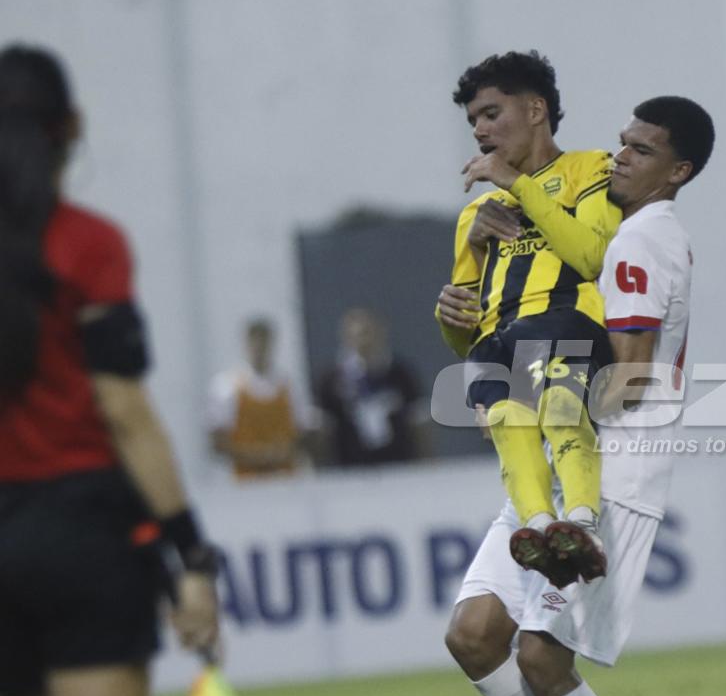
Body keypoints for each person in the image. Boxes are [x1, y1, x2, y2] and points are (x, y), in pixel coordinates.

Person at [438, 96, 714, 696]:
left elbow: (630, 376)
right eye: (623, 142)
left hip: (611, 474)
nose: (622, 156)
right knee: (474, 634)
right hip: (562, 466)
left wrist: (540, 397)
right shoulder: (615, 231)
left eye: (643, 151)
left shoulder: (642, 240)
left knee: (539, 655)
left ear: (678, 172)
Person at [0, 44, 220, 696]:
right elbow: (124, 411)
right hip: (83, 534)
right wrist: (190, 554)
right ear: (72, 127)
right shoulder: (87, 244)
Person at [437, 50, 620, 586]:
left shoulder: (590, 169)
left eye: (491, 113)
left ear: (536, 110)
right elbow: (464, 333)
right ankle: (540, 529)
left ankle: (582, 522)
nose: (479, 130)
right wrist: (448, 317)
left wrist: (518, 185)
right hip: (498, 343)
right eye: (473, 120)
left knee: (562, 408)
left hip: (566, 322)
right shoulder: (475, 215)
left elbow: (591, 256)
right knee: (505, 422)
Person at [314, 307, 426, 466]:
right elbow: (322, 427)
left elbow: (418, 421)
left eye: (367, 333)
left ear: (380, 333)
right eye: (356, 336)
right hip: (350, 465)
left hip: (398, 462)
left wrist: (423, 464)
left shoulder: (400, 373)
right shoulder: (332, 379)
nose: (363, 342)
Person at [207, 316, 311, 479]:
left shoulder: (289, 386)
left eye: (264, 342)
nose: (259, 348)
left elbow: (304, 432)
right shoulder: (226, 386)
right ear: (246, 344)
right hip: (246, 483)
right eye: (255, 342)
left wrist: (283, 452)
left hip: (286, 480)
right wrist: (257, 457)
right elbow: (217, 442)